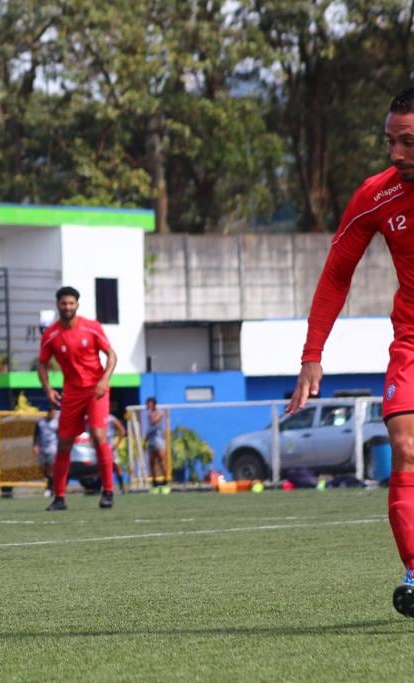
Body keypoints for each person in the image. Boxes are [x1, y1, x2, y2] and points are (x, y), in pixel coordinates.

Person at [287, 86, 414, 619]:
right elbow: (337, 273)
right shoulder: (376, 195)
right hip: (412, 340)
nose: (395, 154)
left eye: (407, 142)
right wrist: (312, 352)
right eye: (389, 141)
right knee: (404, 444)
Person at [38, 286, 118, 511]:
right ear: (58, 305)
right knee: (63, 444)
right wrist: (48, 389)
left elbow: (112, 355)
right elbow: (41, 363)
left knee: (98, 434)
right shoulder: (51, 334)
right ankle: (60, 498)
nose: (67, 307)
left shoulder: (91, 328)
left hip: (96, 390)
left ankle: (108, 491)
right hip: (71, 393)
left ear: (77, 305)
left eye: (71, 303)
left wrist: (104, 380)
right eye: (64, 303)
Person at [33, 407, 60, 496]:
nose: (53, 415)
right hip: (42, 448)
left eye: (54, 413)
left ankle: (50, 488)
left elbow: (59, 435)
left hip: (53, 448)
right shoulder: (40, 423)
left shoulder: (56, 423)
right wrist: (35, 445)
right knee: (42, 468)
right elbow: (36, 435)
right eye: (51, 413)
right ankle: (51, 484)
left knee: (50, 468)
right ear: (48, 413)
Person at [144, 397, 169, 492]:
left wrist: (150, 414)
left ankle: (166, 482)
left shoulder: (159, 412)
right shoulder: (148, 415)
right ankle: (155, 484)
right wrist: (145, 440)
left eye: (148, 403)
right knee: (152, 462)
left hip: (159, 441)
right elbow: (149, 429)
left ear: (153, 404)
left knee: (162, 461)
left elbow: (154, 421)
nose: (147, 406)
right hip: (151, 441)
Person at [107, 411, 128, 494]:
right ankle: (102, 488)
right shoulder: (95, 417)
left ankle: (122, 487)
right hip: (99, 447)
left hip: (110, 448)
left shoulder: (111, 418)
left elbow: (122, 431)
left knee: (116, 466)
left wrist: (116, 445)